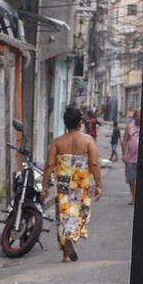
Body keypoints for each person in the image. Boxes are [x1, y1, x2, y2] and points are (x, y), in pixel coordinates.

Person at [48, 106, 103, 262]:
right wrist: (99, 184)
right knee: (79, 212)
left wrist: (45, 186)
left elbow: (49, 165)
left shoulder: (57, 142)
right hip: (81, 183)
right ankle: (72, 236)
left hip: (63, 183)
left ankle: (65, 252)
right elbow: (93, 163)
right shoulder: (88, 141)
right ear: (80, 122)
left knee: (64, 214)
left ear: (65, 123)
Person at [122, 110, 142, 199]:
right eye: (137, 116)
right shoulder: (129, 127)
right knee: (131, 180)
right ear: (134, 117)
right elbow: (125, 141)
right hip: (130, 158)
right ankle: (133, 197)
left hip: (141, 159)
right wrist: (124, 154)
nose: (139, 118)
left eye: (140, 116)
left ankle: (138, 197)